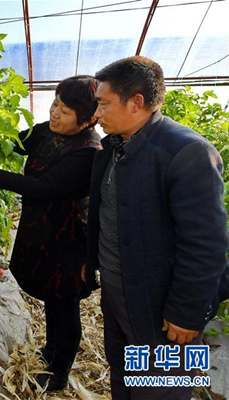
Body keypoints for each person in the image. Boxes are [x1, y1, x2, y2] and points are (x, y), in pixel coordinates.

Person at [86, 56, 229, 399]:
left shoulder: (187, 152)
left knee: (161, 385)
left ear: (136, 102)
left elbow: (205, 244)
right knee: (124, 373)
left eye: (104, 104)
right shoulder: (112, 149)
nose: (97, 114)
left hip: (161, 304)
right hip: (119, 291)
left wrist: (186, 311)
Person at [0, 75, 102, 391]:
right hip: (43, 230)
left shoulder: (89, 150)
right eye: (55, 103)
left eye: (66, 109)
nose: (55, 113)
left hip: (69, 239)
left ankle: (59, 373)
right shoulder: (48, 130)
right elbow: (17, 142)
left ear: (87, 118)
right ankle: (49, 351)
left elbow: (45, 188)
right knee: (52, 296)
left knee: (65, 302)